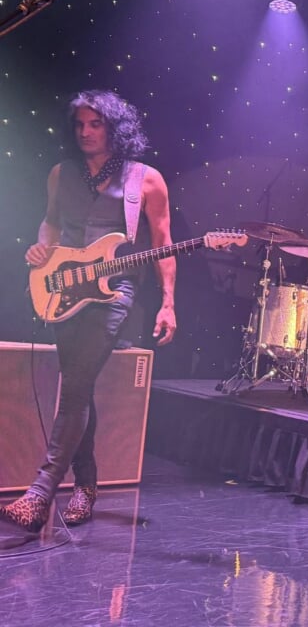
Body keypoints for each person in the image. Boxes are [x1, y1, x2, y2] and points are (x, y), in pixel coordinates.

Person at [0, 90, 176, 533]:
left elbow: (163, 245)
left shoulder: (146, 180)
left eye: (95, 124)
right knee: (79, 384)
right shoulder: (61, 173)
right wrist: (42, 247)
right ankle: (86, 485)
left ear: (115, 128)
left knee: (77, 382)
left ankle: (40, 492)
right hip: (62, 288)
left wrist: (168, 303)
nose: (85, 132)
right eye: (79, 124)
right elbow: (51, 222)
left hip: (114, 290)